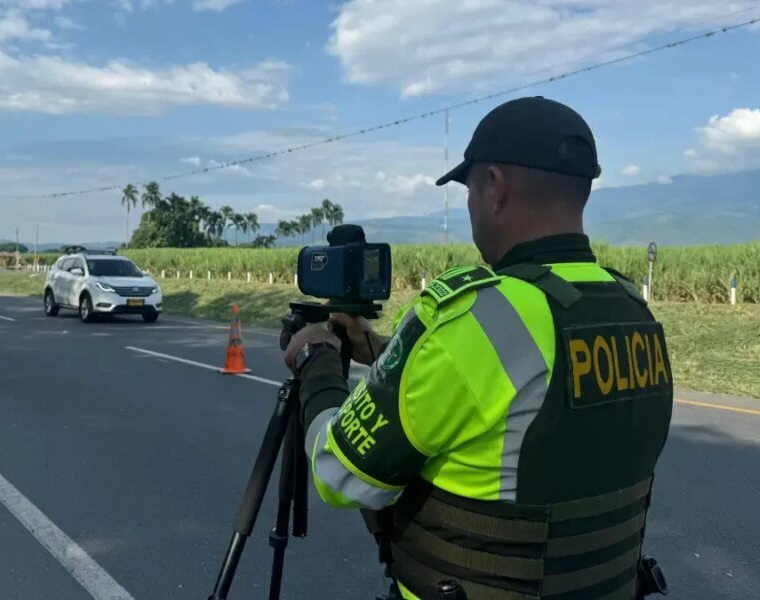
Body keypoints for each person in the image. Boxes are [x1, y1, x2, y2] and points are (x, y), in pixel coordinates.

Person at [283, 96, 673, 600]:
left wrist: (317, 364)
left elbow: (339, 475)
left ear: (494, 187)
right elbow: (506, 407)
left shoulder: (478, 318)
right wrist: (384, 354)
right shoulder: (631, 311)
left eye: (468, 190)